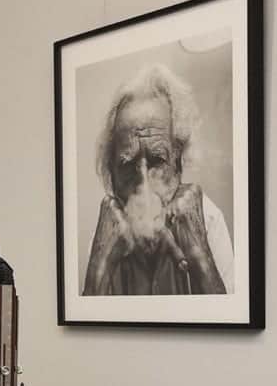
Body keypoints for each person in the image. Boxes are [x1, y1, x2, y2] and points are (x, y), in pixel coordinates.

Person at [83, 64, 234, 296]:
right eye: (127, 165)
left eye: (157, 161)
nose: (143, 184)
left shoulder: (209, 220)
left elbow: (233, 327)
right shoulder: (107, 232)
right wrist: (99, 266)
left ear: (178, 162)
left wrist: (200, 257)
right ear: (111, 173)